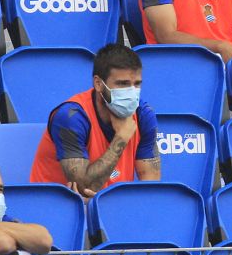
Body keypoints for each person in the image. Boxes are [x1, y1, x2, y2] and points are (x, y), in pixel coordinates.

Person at [30, 43, 160, 196]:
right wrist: (121, 138)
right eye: (122, 84)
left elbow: (151, 189)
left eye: (136, 84)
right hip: (57, 209)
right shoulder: (71, 117)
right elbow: (85, 189)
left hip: (112, 208)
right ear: (98, 84)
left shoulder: (143, 115)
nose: (131, 92)